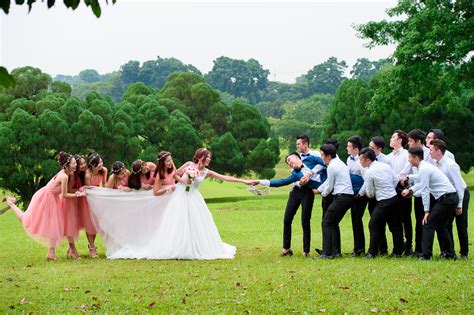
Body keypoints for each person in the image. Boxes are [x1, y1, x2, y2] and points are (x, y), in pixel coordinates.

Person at [86, 148, 252, 260]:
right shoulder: (189, 165)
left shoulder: (206, 172)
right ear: (200, 157)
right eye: (206, 158)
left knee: (198, 223)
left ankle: (198, 247)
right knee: (176, 223)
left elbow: (225, 177)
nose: (208, 160)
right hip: (180, 195)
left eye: (209, 158)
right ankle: (178, 247)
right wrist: (179, 182)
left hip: (194, 199)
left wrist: (245, 181)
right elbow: (175, 174)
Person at [3, 152, 86, 260]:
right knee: (27, 219)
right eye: (74, 163)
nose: (76, 165)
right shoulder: (64, 176)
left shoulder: (67, 173)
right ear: (67, 165)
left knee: (54, 225)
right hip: (46, 199)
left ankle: (51, 253)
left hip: (53, 198)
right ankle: (10, 203)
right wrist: (78, 194)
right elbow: (65, 195)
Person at [252, 151, 326, 257]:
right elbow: (280, 182)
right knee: (287, 220)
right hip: (295, 192)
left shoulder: (310, 161)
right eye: (287, 162)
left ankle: (306, 251)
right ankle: (286, 249)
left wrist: (311, 173)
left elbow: (324, 163)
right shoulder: (295, 174)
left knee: (305, 221)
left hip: (308, 193)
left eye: (290, 160)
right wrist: (260, 181)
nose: (289, 163)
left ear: (297, 157)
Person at [401, 147, 458, 260]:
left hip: (447, 198)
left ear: (416, 158)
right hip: (449, 198)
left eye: (409, 158)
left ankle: (426, 255)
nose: (408, 160)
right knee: (441, 226)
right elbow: (422, 181)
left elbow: (425, 190)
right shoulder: (424, 167)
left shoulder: (424, 168)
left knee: (428, 223)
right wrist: (410, 185)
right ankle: (449, 254)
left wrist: (426, 211)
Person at [358, 148, 403, 258]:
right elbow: (395, 179)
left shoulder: (369, 172)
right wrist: (390, 189)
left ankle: (372, 252)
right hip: (394, 198)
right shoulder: (385, 166)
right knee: (395, 225)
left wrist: (369, 194)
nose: (360, 162)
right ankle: (398, 251)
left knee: (373, 224)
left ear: (368, 160)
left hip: (383, 201)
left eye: (361, 160)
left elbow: (370, 193)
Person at [429, 140, 469, 259]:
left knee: (461, 224)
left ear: (438, 151)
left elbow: (459, 186)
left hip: (459, 194)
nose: (429, 152)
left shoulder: (450, 165)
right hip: (448, 196)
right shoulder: (435, 164)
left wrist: (459, 205)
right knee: (445, 224)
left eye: (431, 150)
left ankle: (464, 252)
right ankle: (449, 252)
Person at [313, 144, 354, 259]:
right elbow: (327, 183)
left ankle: (327, 253)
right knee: (333, 223)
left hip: (341, 197)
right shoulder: (339, 163)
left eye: (322, 155)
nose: (321, 158)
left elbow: (330, 186)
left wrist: (321, 193)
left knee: (326, 222)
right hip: (347, 198)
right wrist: (320, 189)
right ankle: (336, 252)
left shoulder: (332, 166)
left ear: (329, 156)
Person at [387, 130, 411, 256]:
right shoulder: (388, 157)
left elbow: (405, 171)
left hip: (403, 187)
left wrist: (395, 179)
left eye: (393, 137)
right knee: (394, 218)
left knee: (406, 217)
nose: (390, 139)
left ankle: (409, 246)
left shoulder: (406, 154)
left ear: (400, 140)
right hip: (392, 189)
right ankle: (399, 245)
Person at [83, 151, 108, 258]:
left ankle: (92, 245)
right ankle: (92, 247)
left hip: (98, 198)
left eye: (102, 162)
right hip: (88, 199)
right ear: (92, 165)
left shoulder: (104, 170)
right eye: (99, 164)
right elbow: (88, 190)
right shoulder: (87, 174)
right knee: (90, 224)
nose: (101, 166)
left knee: (96, 223)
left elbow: (105, 184)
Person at [346, 135, 367, 257]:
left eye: (349, 146)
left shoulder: (361, 160)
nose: (347, 148)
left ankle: (359, 248)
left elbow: (366, 178)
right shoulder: (349, 159)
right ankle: (357, 248)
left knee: (357, 220)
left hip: (360, 194)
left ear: (356, 149)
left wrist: (360, 193)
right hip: (351, 193)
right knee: (355, 220)